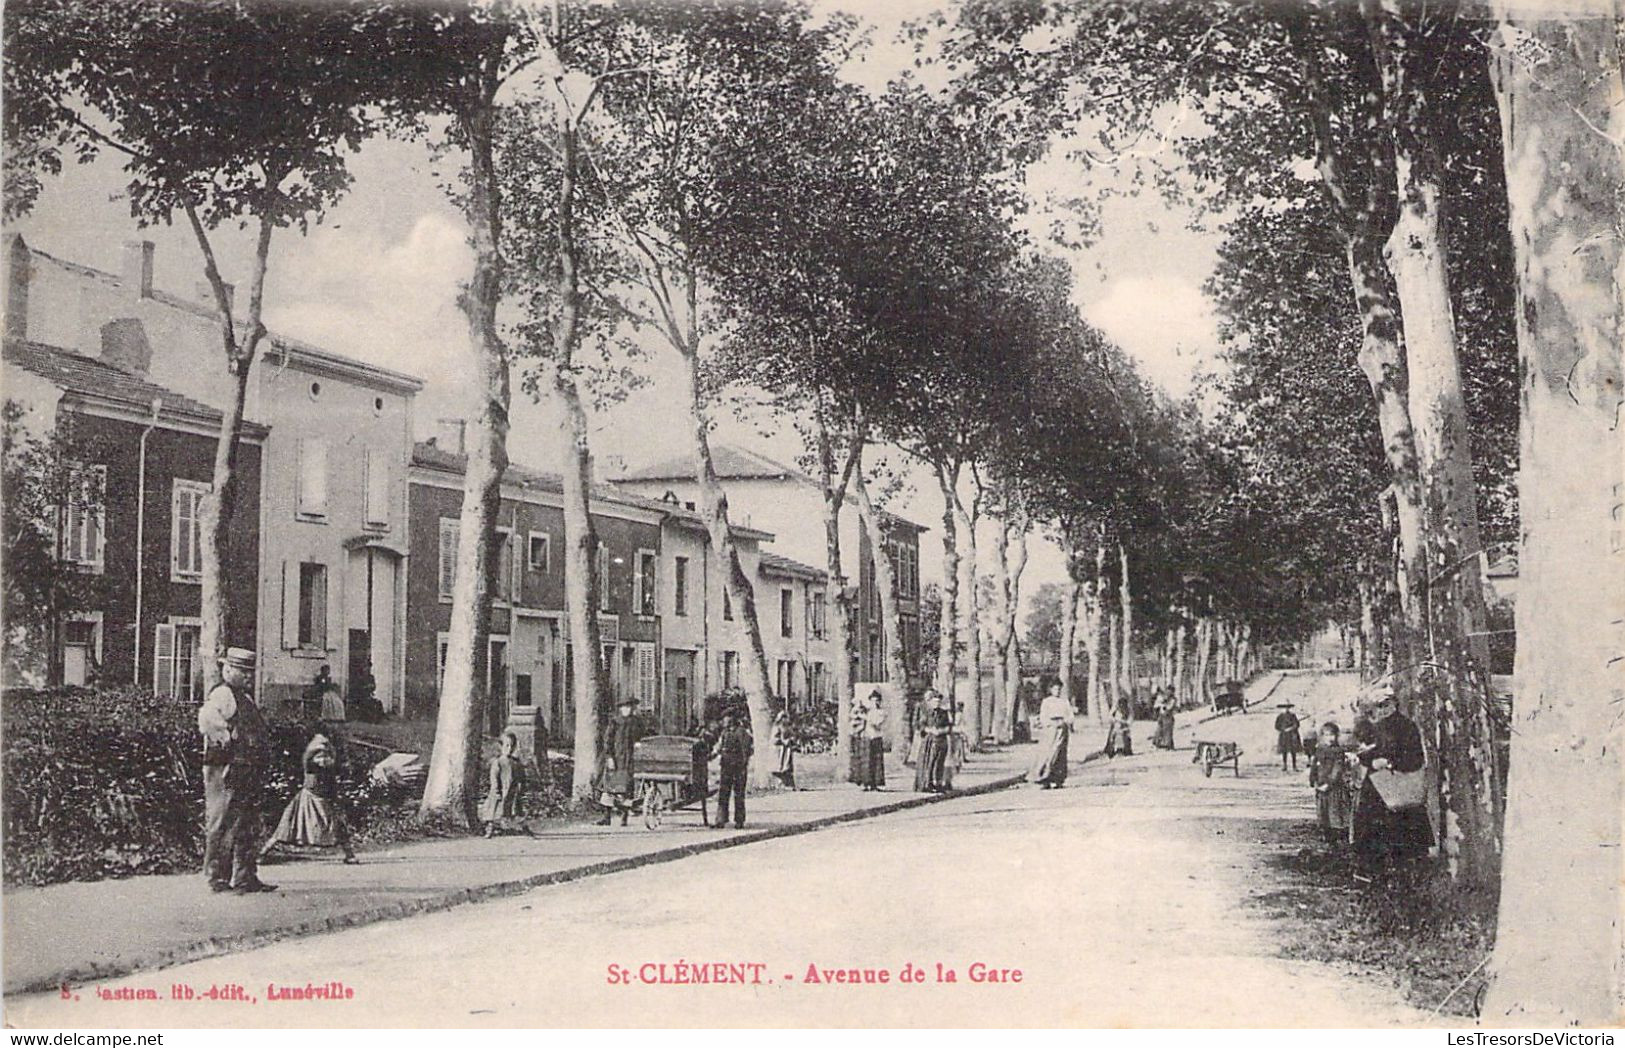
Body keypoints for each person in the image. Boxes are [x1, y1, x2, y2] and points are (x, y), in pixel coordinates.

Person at [198, 647, 275, 894]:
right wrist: (228, 738)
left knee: (247, 822)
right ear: (227, 669)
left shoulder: (245, 697)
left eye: (250, 673)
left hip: (246, 769)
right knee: (222, 821)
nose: (249, 677)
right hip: (226, 768)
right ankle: (217, 877)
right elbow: (207, 720)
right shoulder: (222, 694)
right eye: (243, 672)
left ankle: (245, 876)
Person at [1351, 691, 1433, 880]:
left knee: (1400, 829)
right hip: (1377, 785)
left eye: (1387, 704)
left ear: (1395, 704)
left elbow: (1415, 759)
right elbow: (1365, 752)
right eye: (1379, 706)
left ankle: (1401, 875)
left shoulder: (1407, 727)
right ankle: (1374, 872)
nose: (1384, 709)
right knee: (1372, 828)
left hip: (1399, 784)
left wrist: (1389, 763)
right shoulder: (1375, 727)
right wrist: (1371, 760)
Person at [261, 733, 358, 863]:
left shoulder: (329, 770)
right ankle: (262, 853)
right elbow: (307, 755)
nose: (323, 760)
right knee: (286, 826)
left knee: (337, 826)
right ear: (313, 759)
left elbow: (333, 782)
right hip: (305, 800)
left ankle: (349, 854)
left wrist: (327, 747)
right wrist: (318, 743)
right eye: (319, 757)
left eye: (325, 757)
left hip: (324, 802)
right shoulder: (310, 768)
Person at [597, 696, 644, 826]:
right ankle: (606, 817)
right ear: (620, 709)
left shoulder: (637, 722)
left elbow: (643, 736)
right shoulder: (615, 722)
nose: (626, 710)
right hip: (616, 758)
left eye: (629, 707)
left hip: (629, 760)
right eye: (624, 707)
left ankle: (624, 818)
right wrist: (609, 757)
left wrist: (639, 743)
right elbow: (608, 740)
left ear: (632, 708)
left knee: (625, 789)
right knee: (609, 788)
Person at [1308, 721, 1353, 845]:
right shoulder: (1320, 750)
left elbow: (1337, 769)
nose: (1330, 738)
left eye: (1332, 735)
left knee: (1335, 812)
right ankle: (1327, 837)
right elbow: (1314, 765)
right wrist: (1313, 779)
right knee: (1323, 813)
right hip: (1321, 785)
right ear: (1322, 736)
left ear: (1336, 736)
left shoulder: (1338, 751)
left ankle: (1339, 838)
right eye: (1327, 735)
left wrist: (1329, 783)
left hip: (1334, 788)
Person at [481, 731, 530, 838]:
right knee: (494, 810)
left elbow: (522, 777)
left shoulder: (516, 763)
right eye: (506, 745)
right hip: (500, 791)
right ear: (501, 746)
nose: (509, 748)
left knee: (517, 809)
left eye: (512, 746)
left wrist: (522, 787)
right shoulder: (498, 762)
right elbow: (494, 778)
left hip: (512, 791)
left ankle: (524, 827)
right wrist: (496, 790)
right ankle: (490, 828)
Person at [713, 709, 754, 828]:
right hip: (726, 766)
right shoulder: (724, 733)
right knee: (723, 792)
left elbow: (746, 750)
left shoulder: (741, 732)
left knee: (739, 794)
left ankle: (739, 820)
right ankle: (721, 819)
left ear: (732, 719)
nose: (724, 721)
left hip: (738, 766)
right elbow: (719, 746)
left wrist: (744, 763)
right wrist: (713, 754)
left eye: (726, 718)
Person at [1028, 682, 1072, 788]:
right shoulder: (1047, 702)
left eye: (1059, 689)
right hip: (1050, 730)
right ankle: (1044, 778)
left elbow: (1070, 715)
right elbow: (1043, 716)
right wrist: (1049, 724)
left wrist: (1065, 722)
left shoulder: (1064, 702)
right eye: (1055, 689)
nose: (1057, 691)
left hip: (1061, 730)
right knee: (1047, 753)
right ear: (1051, 690)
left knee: (1059, 753)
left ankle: (1058, 779)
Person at [914, 690, 952, 793]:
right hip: (930, 741)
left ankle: (938, 783)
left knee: (940, 763)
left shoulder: (944, 713)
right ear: (930, 702)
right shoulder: (926, 714)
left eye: (938, 702)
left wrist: (941, 731)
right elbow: (921, 726)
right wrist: (930, 730)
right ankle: (928, 783)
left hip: (942, 740)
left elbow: (949, 727)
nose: (937, 704)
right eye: (934, 702)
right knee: (930, 763)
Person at [858, 690, 887, 791]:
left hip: (876, 737)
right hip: (867, 737)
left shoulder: (881, 712)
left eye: (876, 701)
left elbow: (877, 724)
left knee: (876, 761)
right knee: (866, 761)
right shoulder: (868, 711)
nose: (874, 703)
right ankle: (866, 783)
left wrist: (866, 718)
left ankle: (875, 783)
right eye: (872, 701)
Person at [771, 707, 796, 789]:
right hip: (779, 750)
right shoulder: (776, 727)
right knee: (780, 766)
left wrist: (791, 740)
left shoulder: (788, 727)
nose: (784, 719)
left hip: (787, 750)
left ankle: (789, 783)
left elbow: (793, 735)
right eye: (783, 717)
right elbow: (774, 739)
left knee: (787, 766)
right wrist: (783, 741)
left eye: (786, 717)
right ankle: (780, 783)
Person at [1274, 703, 1303, 771]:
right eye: (1284, 708)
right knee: (1284, 751)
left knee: (1293, 751)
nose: (1286, 709)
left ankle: (1294, 766)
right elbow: (1276, 726)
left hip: (1292, 735)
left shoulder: (1293, 716)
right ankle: (1285, 765)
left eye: (1287, 708)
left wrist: (1291, 728)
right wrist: (1283, 729)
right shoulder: (1280, 716)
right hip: (1284, 735)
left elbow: (1297, 724)